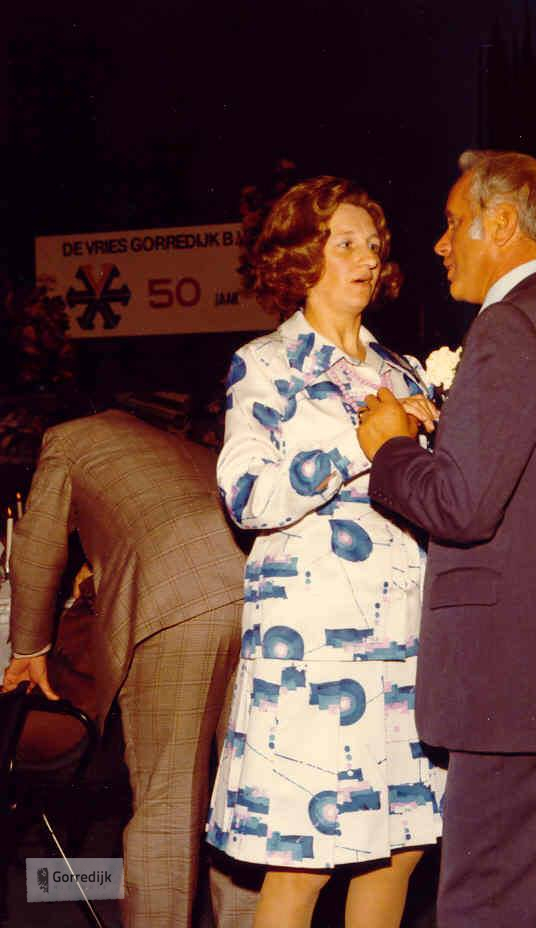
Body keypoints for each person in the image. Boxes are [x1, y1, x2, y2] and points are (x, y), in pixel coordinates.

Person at [357, 150, 536, 927]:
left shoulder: (509, 325)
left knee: (487, 908)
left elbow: (462, 506)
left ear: (503, 223)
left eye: (454, 224)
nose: (441, 243)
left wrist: (390, 446)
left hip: (513, 690)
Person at [206, 176, 445, 928]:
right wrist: (361, 442)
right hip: (311, 651)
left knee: (399, 849)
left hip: (406, 641)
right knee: (302, 863)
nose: (366, 259)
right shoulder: (266, 363)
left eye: (372, 245)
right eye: (344, 244)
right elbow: (248, 496)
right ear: (300, 258)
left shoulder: (401, 370)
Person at [2, 410, 259, 927]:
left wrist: (28, 650)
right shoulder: (187, 452)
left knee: (168, 807)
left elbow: (36, 549)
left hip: (175, 608)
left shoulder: (69, 437)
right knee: (241, 805)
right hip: (261, 598)